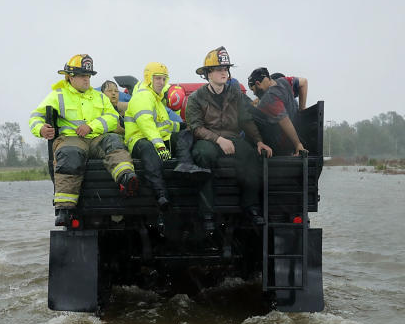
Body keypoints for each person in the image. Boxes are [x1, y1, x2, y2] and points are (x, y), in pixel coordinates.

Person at [29, 54, 138, 227]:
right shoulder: (57, 95)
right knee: (70, 154)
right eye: (82, 76)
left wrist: (91, 126)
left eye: (88, 76)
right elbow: (36, 116)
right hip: (70, 139)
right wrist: (40, 129)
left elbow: (111, 117)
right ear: (70, 77)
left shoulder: (99, 97)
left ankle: (126, 179)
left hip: (95, 137)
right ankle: (65, 209)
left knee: (114, 141)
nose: (87, 80)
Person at [185, 46, 272, 232]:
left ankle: (251, 208)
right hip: (208, 139)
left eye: (225, 69)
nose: (224, 72)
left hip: (232, 138)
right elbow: (196, 128)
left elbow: (246, 121)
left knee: (250, 154)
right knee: (202, 154)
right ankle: (207, 213)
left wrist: (258, 141)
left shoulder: (236, 95)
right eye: (219, 69)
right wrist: (218, 140)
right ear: (208, 74)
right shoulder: (196, 98)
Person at [124, 62, 210, 213]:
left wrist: (183, 127)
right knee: (148, 150)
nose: (161, 82)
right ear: (148, 79)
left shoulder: (156, 99)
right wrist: (160, 146)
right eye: (157, 78)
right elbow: (146, 124)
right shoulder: (143, 96)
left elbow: (165, 125)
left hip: (159, 138)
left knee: (185, 135)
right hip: (139, 140)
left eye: (164, 79)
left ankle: (185, 166)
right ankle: (161, 194)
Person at [247, 68, 309, 156]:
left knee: (248, 113)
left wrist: (298, 144)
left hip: (281, 143)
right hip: (296, 132)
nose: (254, 94)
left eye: (253, 90)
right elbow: (304, 82)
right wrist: (302, 110)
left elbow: (285, 121)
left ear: (258, 84)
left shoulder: (269, 97)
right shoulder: (283, 81)